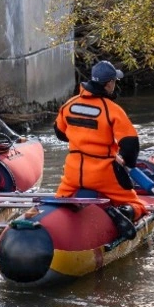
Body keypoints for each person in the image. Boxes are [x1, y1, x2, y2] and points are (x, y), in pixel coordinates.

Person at [54, 60, 145, 238]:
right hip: (103, 172)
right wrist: (126, 162)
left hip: (73, 173)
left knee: (60, 200)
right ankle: (125, 212)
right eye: (114, 82)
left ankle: (55, 219)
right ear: (109, 83)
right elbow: (130, 143)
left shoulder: (69, 104)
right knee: (137, 204)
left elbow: (59, 132)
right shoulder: (112, 109)